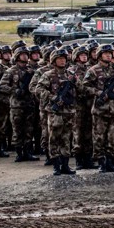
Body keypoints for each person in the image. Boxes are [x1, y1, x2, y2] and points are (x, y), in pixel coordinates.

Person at [82, 44, 114, 173]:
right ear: (99, 55)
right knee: (99, 137)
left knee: (112, 137)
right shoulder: (93, 70)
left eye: (110, 53)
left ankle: (110, 161)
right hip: (100, 109)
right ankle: (101, 162)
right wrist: (98, 93)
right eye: (105, 53)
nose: (108, 55)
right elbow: (84, 87)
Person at [35, 48, 77, 176]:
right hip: (55, 112)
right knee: (54, 138)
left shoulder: (70, 74)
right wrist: (53, 98)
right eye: (59, 59)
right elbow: (39, 89)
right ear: (53, 61)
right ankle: (56, 165)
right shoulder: (48, 75)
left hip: (69, 112)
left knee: (66, 138)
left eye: (64, 59)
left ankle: (65, 165)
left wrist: (75, 81)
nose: (62, 61)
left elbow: (81, 89)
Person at [0, 46, 39, 162]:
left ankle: (28, 152)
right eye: (22, 54)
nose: (25, 56)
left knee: (29, 129)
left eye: (26, 54)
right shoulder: (11, 71)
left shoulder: (31, 71)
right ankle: (19, 153)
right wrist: (14, 90)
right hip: (17, 105)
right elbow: (1, 86)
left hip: (29, 104)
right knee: (17, 129)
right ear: (17, 56)